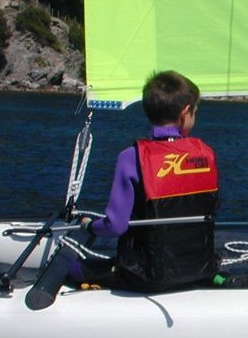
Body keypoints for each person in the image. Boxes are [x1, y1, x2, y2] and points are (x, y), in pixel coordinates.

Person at [69, 70, 220, 292]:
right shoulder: (206, 154)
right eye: (195, 112)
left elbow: (115, 226)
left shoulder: (130, 157)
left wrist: (89, 226)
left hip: (146, 277)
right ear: (185, 112)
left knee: (71, 266)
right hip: (199, 269)